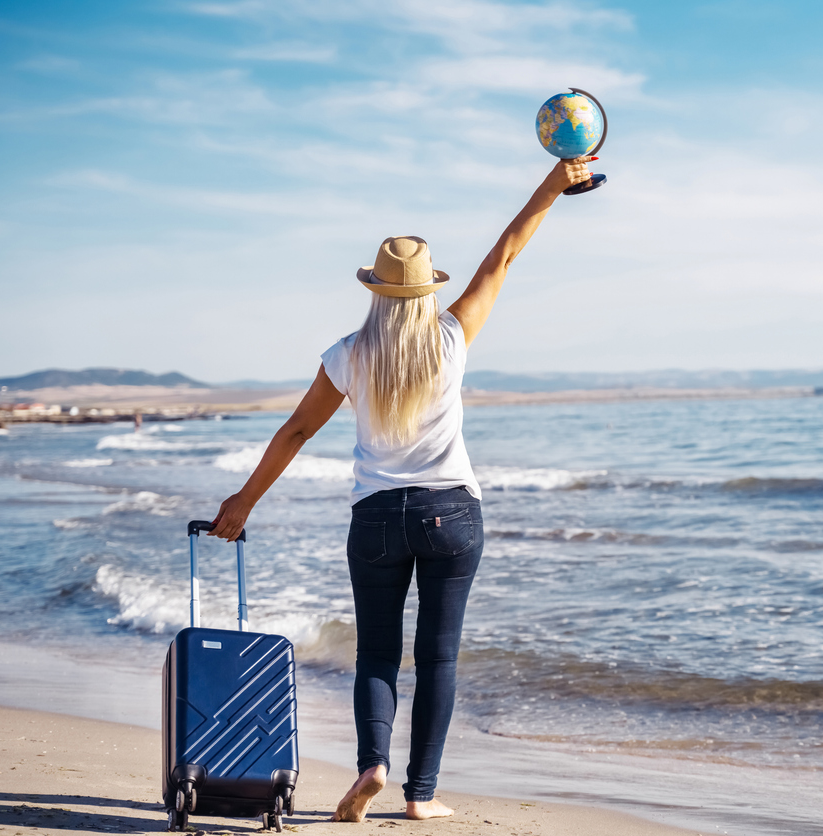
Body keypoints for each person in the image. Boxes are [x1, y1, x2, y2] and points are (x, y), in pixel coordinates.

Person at [206, 156, 594, 821]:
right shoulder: (450, 337)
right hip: (452, 512)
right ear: (428, 291)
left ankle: (372, 766)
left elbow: (297, 432)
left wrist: (242, 502)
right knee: (437, 657)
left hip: (377, 518)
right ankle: (420, 795)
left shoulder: (347, 354)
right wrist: (554, 186)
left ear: (375, 291)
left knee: (377, 656)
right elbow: (502, 257)